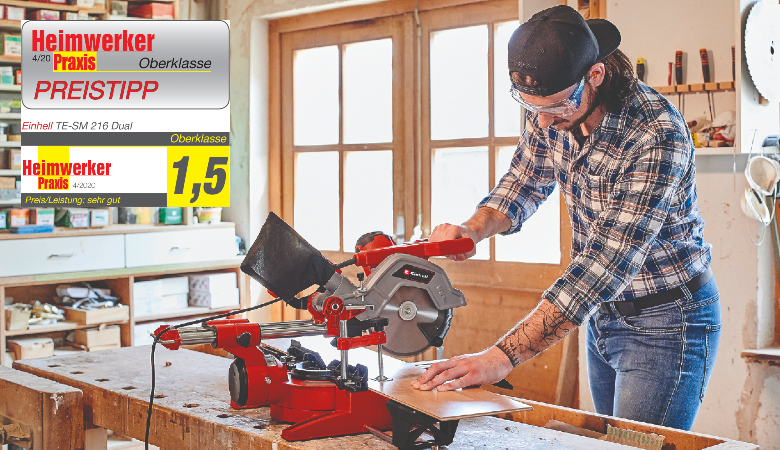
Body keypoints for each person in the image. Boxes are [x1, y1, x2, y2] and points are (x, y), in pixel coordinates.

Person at [411, 5, 721, 431]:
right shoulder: (553, 102)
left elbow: (601, 268)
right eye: (529, 106)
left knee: (638, 447)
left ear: (595, 75)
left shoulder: (656, 134)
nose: (541, 121)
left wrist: (499, 358)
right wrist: (473, 229)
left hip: (666, 322)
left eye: (554, 106)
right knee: (607, 442)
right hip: (605, 315)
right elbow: (524, 180)